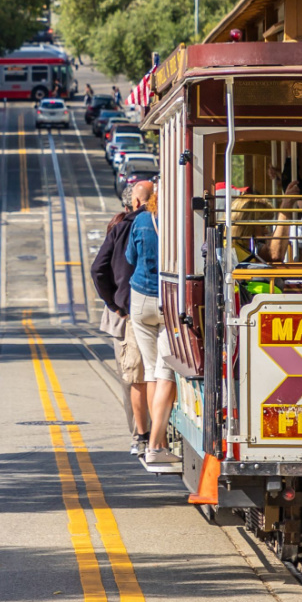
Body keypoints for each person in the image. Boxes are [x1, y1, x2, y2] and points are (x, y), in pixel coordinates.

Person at [125, 180, 178, 473]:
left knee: (149, 370)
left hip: (140, 299)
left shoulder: (143, 219)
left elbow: (130, 258)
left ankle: (152, 444)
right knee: (166, 370)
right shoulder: (179, 221)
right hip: (168, 300)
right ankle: (159, 444)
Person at [89, 189, 147, 453]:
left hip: (123, 312)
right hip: (128, 312)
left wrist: (114, 303)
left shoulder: (118, 227)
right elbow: (100, 269)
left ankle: (140, 434)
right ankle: (146, 433)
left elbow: (99, 269)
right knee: (148, 375)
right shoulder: (128, 227)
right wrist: (115, 304)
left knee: (132, 378)